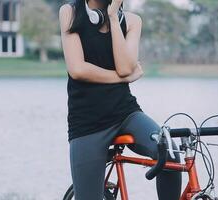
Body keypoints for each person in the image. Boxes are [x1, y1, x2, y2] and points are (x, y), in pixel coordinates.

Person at [58, 0, 181, 199]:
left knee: (170, 154)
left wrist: (114, 18)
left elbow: (124, 68)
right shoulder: (70, 12)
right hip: (87, 122)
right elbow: (78, 70)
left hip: (126, 114)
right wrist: (123, 78)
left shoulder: (132, 21)